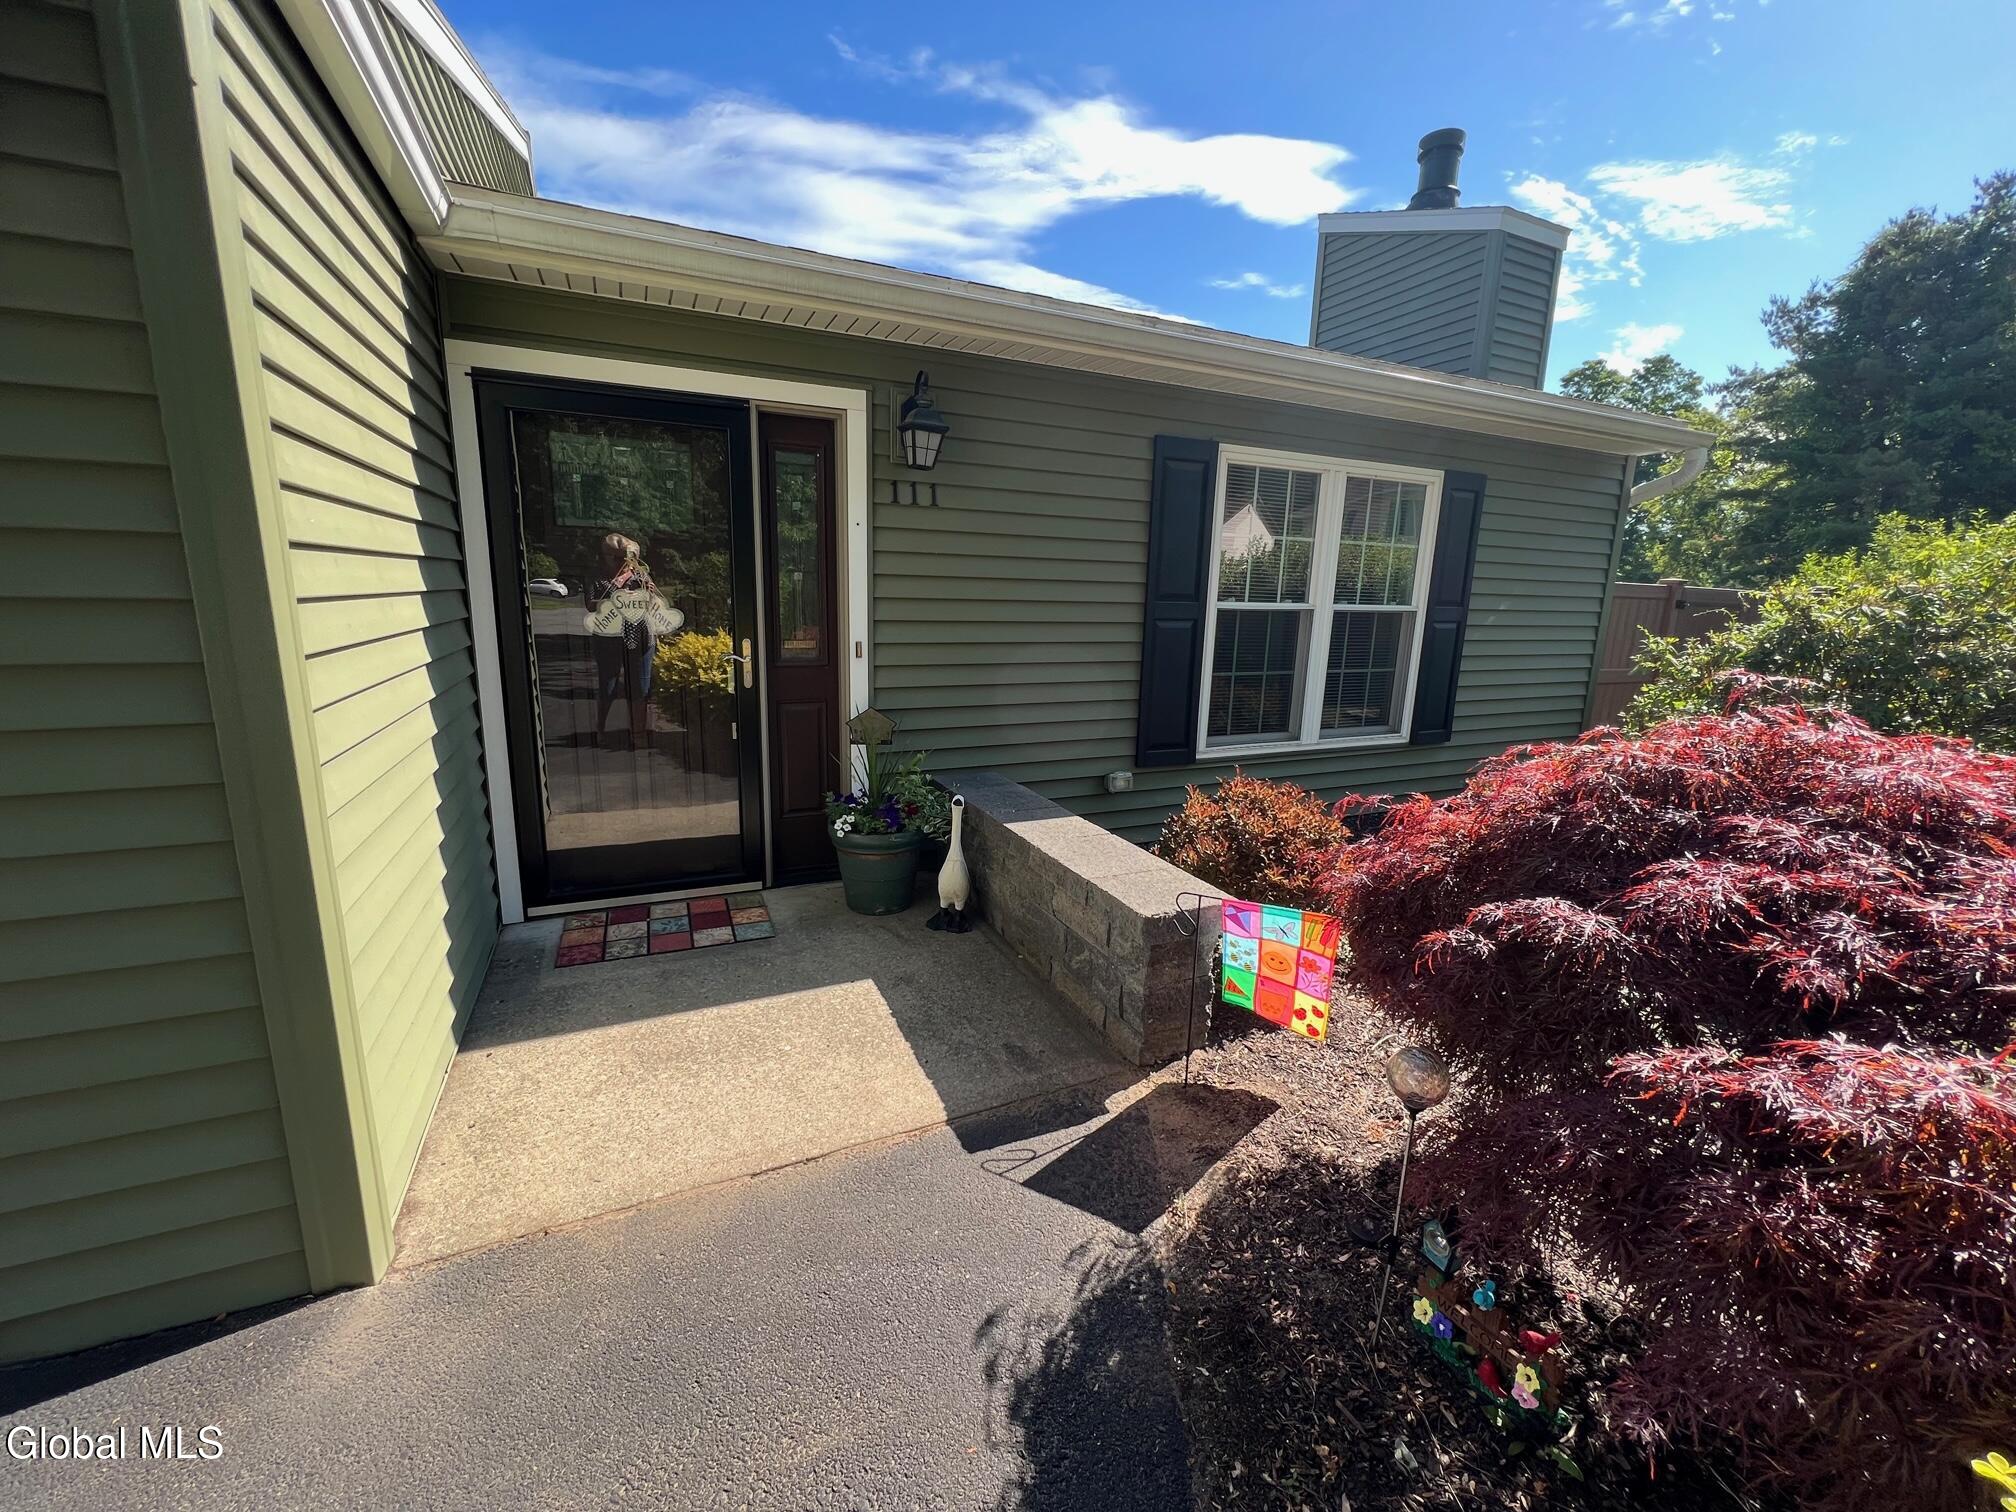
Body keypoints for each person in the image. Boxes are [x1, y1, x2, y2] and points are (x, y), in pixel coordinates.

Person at [584, 533, 683, 744]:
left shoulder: (641, 576)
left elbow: (659, 602)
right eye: (618, 558)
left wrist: (651, 592)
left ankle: (637, 734)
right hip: (609, 637)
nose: (625, 563)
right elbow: (590, 605)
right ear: (606, 557)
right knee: (608, 685)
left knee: (641, 685)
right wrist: (614, 595)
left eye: (629, 558)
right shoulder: (597, 577)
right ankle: (601, 729)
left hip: (641, 635)